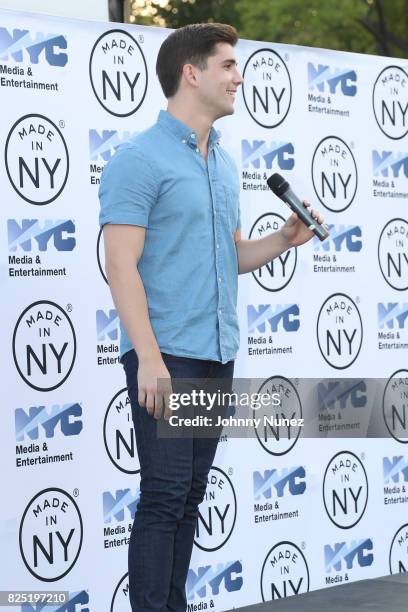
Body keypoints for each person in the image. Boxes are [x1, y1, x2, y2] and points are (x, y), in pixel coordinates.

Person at [99, 22, 323, 612]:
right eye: (227, 65)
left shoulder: (224, 164)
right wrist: (148, 357)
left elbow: (231, 254)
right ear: (191, 73)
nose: (239, 77)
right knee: (165, 493)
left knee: (192, 493)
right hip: (165, 354)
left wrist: (281, 238)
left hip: (216, 353)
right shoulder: (138, 159)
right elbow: (120, 264)